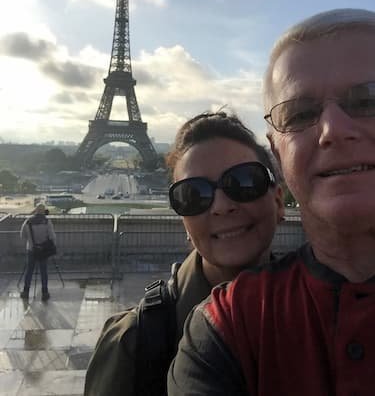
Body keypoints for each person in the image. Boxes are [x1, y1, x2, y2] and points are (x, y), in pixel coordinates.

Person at [168, 8, 375, 396]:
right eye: (299, 114)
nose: (333, 130)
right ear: (278, 156)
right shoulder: (223, 324)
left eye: (368, 100)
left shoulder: (229, 327)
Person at [84, 111, 284, 396]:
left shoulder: (325, 311)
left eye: (244, 182)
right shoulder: (133, 341)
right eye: (193, 195)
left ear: (278, 201)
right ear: (185, 222)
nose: (220, 206)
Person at [20, 203, 56, 301]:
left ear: (35, 210)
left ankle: (26, 291)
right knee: (43, 271)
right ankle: (44, 292)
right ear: (44, 211)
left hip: (31, 249)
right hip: (43, 250)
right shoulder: (47, 222)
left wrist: (30, 241)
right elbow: (52, 236)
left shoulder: (28, 221)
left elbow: (22, 235)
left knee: (29, 271)